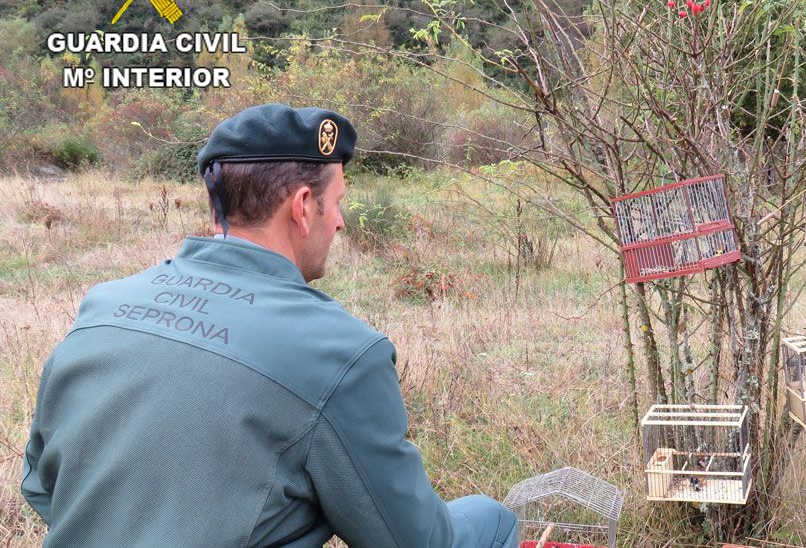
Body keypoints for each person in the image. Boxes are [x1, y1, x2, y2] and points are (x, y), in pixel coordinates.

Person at [21, 104, 518, 548]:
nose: (340, 221)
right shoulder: (341, 351)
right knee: (492, 521)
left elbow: (40, 484)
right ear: (303, 207)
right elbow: (414, 541)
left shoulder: (103, 305)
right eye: (337, 201)